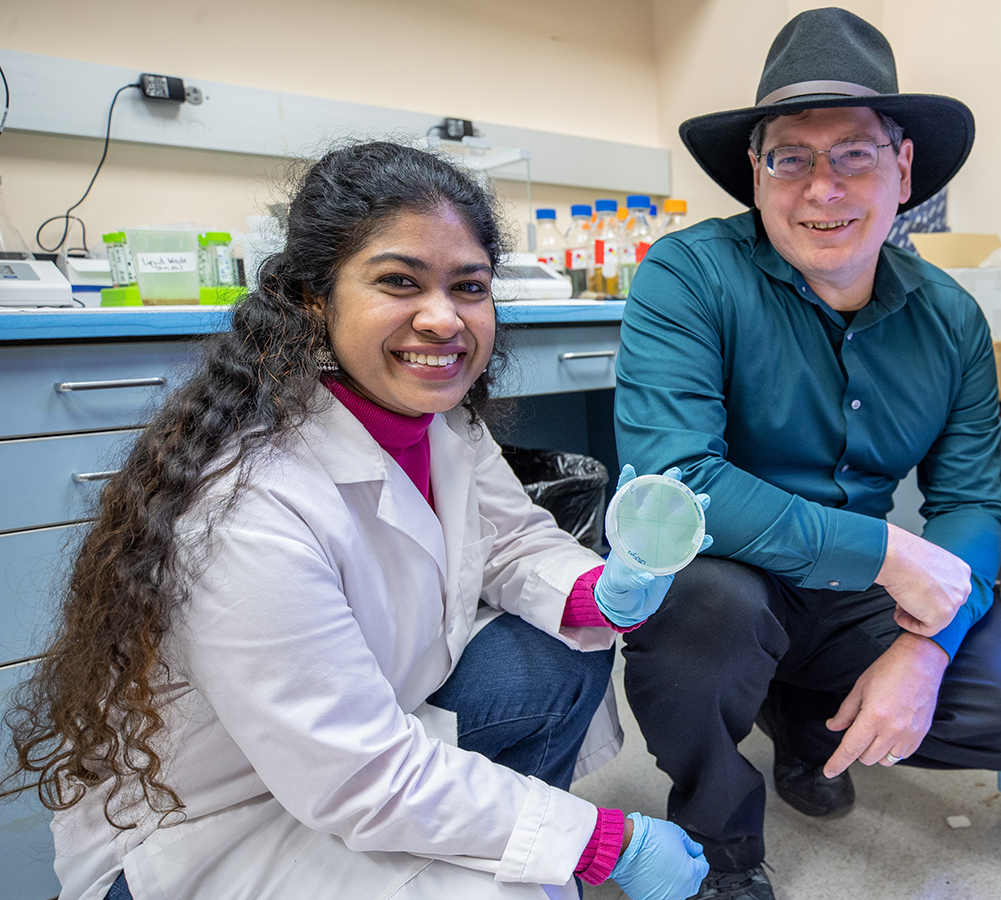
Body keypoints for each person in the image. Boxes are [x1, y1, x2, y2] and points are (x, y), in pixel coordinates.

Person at [4, 142, 712, 900]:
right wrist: (604, 841)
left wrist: (597, 592)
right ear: (314, 298)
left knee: (565, 652)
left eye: (468, 286)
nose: (442, 317)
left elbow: (509, 536)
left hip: (349, 743)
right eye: (399, 281)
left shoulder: (440, 424)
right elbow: (362, 773)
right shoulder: (246, 505)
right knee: (521, 889)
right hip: (218, 822)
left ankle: (481, 838)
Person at [615, 9, 1001, 900]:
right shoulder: (688, 275)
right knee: (706, 621)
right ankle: (717, 846)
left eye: (854, 154)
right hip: (727, 569)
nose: (823, 188)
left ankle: (802, 719)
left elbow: (969, 503)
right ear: (756, 174)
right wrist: (891, 553)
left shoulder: (951, 319)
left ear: (904, 169)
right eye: (791, 158)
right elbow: (680, 483)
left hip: (850, 595)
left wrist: (928, 648)